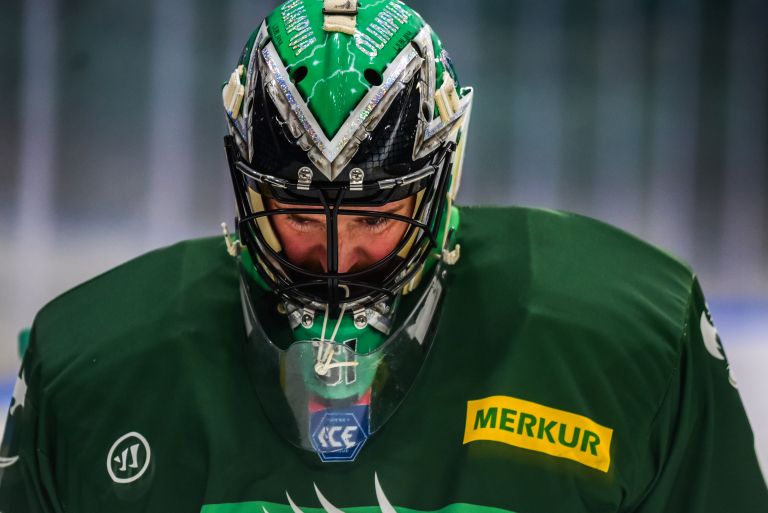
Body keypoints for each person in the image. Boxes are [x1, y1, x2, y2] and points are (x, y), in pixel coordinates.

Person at [1, 0, 766, 511]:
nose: (339, 255)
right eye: (301, 212)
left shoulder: (631, 340)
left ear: (443, 176)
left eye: (373, 213)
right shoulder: (90, 371)